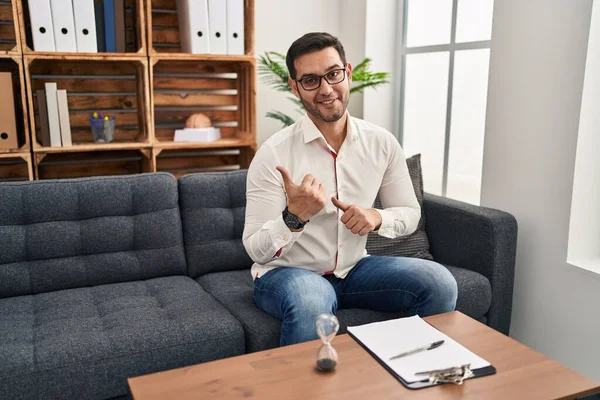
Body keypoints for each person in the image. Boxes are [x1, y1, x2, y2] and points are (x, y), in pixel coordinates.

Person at [243, 32, 457, 347]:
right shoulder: (274, 154)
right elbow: (255, 248)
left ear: (348, 72)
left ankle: (405, 375)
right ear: (295, 87)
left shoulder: (381, 143)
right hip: (287, 273)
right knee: (312, 301)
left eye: (333, 74)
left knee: (439, 283)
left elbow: (410, 213)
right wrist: (294, 217)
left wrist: (377, 217)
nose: (327, 89)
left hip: (356, 269)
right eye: (311, 80)